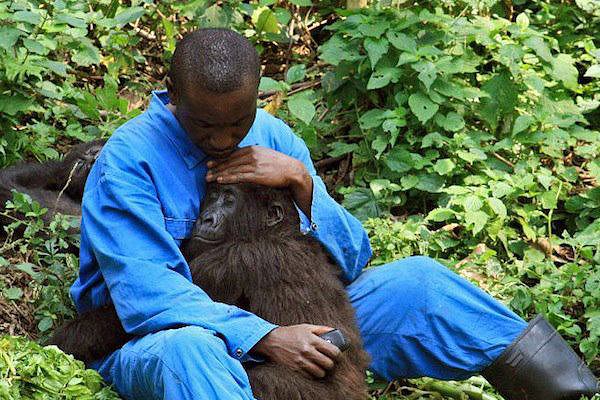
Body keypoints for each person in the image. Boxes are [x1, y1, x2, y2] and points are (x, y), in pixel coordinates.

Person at [70, 28, 598, 400]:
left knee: (419, 283)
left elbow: (353, 260)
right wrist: (268, 338)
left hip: (288, 323)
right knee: (190, 351)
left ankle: (565, 389)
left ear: (257, 96)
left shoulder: (274, 137)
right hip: (160, 340)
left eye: (239, 121)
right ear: (171, 93)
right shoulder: (130, 160)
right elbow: (148, 301)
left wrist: (302, 184)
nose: (225, 139)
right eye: (204, 124)